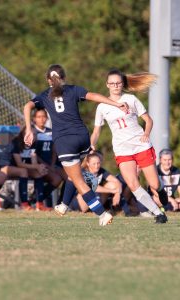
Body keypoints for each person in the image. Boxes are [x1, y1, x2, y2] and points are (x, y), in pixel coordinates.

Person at [23, 64, 128, 226]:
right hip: (83, 138)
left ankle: (102, 214)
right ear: (64, 78)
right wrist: (116, 104)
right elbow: (93, 95)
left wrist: (29, 130)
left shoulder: (44, 95)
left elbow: (27, 106)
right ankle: (64, 205)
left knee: (78, 181)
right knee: (73, 175)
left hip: (65, 142)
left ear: (47, 80)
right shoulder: (73, 89)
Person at [90, 68, 168, 223]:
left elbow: (148, 120)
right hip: (122, 149)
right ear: (107, 85)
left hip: (141, 146)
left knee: (153, 184)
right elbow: (97, 130)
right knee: (133, 184)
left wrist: (146, 134)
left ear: (122, 83)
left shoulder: (131, 99)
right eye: (112, 83)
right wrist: (92, 144)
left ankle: (160, 189)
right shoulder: (102, 106)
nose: (115, 86)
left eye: (118, 83)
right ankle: (158, 213)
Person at [32, 108, 67, 208]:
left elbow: (54, 150)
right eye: (39, 117)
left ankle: (62, 204)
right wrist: (47, 165)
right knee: (56, 180)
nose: (42, 119)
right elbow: (33, 153)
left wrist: (52, 164)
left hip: (51, 164)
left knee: (70, 179)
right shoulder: (32, 131)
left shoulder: (51, 132)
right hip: (37, 164)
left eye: (44, 117)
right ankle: (36, 200)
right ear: (34, 119)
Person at [12, 126, 49, 211]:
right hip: (10, 166)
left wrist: (40, 168)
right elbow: (19, 164)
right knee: (23, 171)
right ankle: (24, 204)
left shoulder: (33, 144)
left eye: (35, 134)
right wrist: (37, 166)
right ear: (23, 134)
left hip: (24, 168)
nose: (33, 136)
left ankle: (39, 204)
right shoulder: (16, 143)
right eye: (30, 134)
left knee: (38, 173)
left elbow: (34, 162)